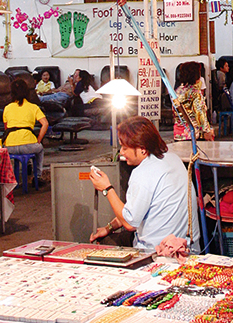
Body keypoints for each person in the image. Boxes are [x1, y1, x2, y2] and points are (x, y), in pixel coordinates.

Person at [89, 116, 201, 252]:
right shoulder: (173, 159)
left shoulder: (142, 173)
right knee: (114, 236)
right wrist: (109, 228)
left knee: (103, 244)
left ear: (142, 149)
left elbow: (130, 223)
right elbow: (136, 211)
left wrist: (107, 188)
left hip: (159, 251)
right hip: (190, 246)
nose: (122, 153)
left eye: (125, 148)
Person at [3, 79, 48, 172]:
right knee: (39, 150)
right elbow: (45, 124)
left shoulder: (7, 108)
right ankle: (38, 175)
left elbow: (6, 128)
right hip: (29, 145)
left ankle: (16, 174)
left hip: (10, 147)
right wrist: (39, 139)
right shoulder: (33, 107)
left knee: (16, 151)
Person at [173, 62, 214, 141]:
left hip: (179, 133)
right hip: (194, 134)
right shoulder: (194, 92)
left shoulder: (177, 91)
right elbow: (200, 113)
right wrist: (207, 131)